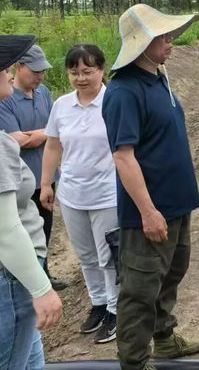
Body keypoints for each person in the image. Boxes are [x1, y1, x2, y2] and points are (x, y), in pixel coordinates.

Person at [102, 4, 199, 370]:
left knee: (171, 274)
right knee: (140, 288)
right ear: (142, 43)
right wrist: (148, 212)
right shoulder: (124, 92)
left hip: (176, 203)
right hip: (149, 211)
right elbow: (123, 158)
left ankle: (164, 338)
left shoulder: (159, 78)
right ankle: (134, 362)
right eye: (163, 37)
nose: (171, 41)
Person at [40, 44, 118, 344]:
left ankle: (115, 309)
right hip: (73, 193)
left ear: (102, 70)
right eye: (74, 72)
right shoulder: (62, 105)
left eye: (87, 71)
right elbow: (53, 145)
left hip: (107, 193)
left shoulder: (113, 101)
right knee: (86, 255)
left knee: (109, 255)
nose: (81, 78)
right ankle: (99, 302)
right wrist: (47, 183)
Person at [0, 35, 63, 370]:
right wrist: (41, 289)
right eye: (4, 69)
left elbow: (52, 133)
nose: (9, 74)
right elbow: (6, 229)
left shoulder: (44, 94)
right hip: (12, 278)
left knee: (31, 358)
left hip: (15, 275)